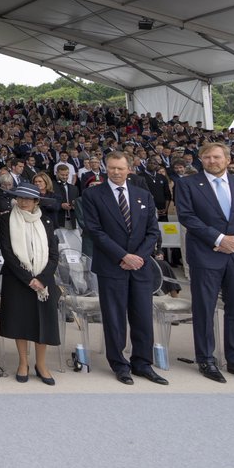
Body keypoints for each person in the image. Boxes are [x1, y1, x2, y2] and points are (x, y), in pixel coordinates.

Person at [174, 142, 234, 384]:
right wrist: (220, 239)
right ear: (200, 160)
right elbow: (187, 217)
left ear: (227, 159)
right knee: (204, 309)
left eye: (216, 157)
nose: (211, 161)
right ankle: (206, 359)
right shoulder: (187, 184)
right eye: (206, 157)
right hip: (207, 255)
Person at [79, 151, 167, 386]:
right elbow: (95, 230)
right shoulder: (92, 194)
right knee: (114, 318)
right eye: (112, 168)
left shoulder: (143, 195)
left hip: (140, 266)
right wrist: (123, 256)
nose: (116, 172)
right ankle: (119, 364)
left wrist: (137, 257)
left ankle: (143, 363)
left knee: (142, 316)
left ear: (129, 169)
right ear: (105, 168)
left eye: (120, 168)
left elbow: (152, 231)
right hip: (111, 265)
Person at [0, 181, 60, 385]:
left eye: (28, 199)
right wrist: (28, 279)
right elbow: (7, 251)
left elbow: (54, 254)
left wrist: (41, 279)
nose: (23, 202)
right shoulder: (6, 219)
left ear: (36, 201)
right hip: (17, 278)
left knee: (44, 322)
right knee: (21, 321)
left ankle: (41, 364)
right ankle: (23, 362)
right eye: (20, 197)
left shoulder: (46, 221)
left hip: (43, 280)